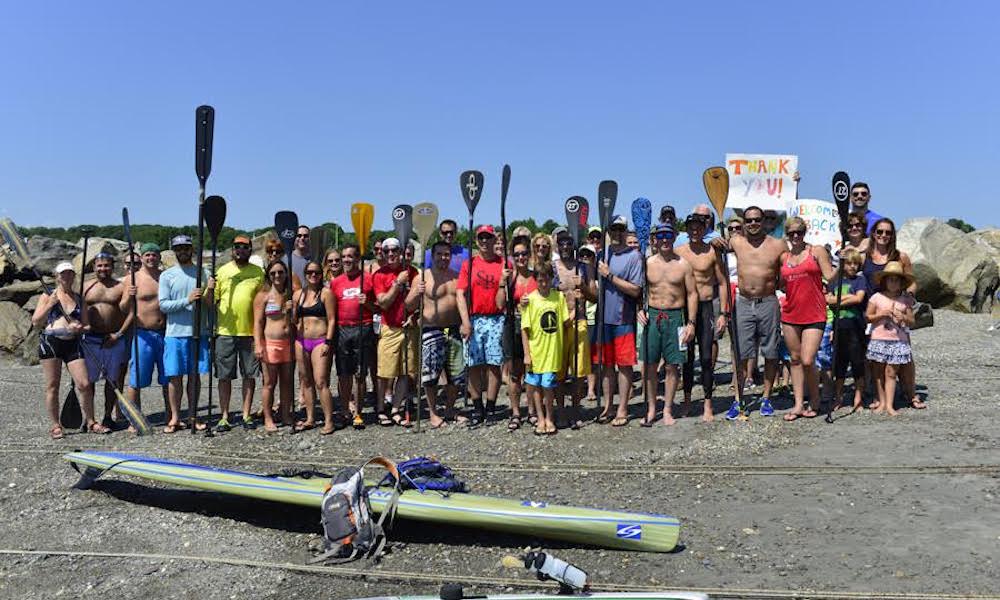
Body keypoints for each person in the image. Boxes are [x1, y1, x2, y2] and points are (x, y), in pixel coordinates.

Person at [714, 205, 787, 420]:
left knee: (771, 352)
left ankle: (766, 397)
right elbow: (717, 252)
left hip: (768, 301)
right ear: (744, 223)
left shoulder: (777, 244)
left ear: (764, 221)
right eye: (749, 220)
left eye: (757, 220)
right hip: (744, 302)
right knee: (741, 353)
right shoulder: (736, 242)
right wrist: (714, 242)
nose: (753, 223)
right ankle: (738, 398)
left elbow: (790, 267)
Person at [32, 262, 106, 437]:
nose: (67, 277)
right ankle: (56, 425)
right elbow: (36, 322)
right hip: (51, 342)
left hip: (72, 343)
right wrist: (50, 304)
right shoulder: (47, 295)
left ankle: (91, 422)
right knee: (52, 386)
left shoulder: (79, 299)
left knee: (84, 384)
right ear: (57, 277)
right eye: (63, 274)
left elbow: (87, 326)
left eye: (70, 274)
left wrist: (80, 328)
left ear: (73, 276)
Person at [638, 223, 696, 425]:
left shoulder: (683, 264)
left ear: (674, 238)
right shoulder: (648, 263)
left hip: (676, 317)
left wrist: (691, 323)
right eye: (660, 236)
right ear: (655, 239)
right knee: (649, 365)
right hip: (653, 316)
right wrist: (639, 309)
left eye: (668, 236)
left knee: (673, 366)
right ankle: (653, 408)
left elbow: (692, 294)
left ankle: (668, 409)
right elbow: (640, 289)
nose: (664, 240)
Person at [779, 217, 836, 421]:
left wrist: (844, 262)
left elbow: (829, 276)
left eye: (800, 232)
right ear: (787, 234)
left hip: (814, 313)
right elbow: (781, 283)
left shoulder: (816, 251)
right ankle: (797, 404)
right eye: (792, 233)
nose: (796, 236)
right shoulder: (784, 257)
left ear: (805, 232)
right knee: (794, 360)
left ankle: (815, 399)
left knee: (807, 359)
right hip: (790, 313)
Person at [862, 218, 922, 409]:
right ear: (873, 233)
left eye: (888, 232)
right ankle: (878, 397)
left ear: (892, 235)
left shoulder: (900, 256)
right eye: (880, 232)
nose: (883, 236)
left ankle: (911, 394)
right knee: (875, 358)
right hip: (873, 307)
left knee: (906, 357)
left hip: (897, 309)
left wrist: (908, 299)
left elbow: (912, 281)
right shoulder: (866, 255)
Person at [675, 214, 729, 421]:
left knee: (706, 358)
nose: (695, 230)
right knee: (686, 359)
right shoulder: (679, 252)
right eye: (692, 227)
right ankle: (687, 401)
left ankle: (707, 403)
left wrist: (723, 313)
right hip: (685, 309)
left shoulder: (712, 252)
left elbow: (723, 282)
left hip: (706, 306)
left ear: (705, 228)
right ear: (687, 229)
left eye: (699, 226)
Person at [158, 235, 213, 433]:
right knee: (174, 377)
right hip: (174, 334)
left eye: (186, 248)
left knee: (194, 376)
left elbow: (211, 305)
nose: (182, 251)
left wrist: (209, 294)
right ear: (174, 251)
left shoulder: (204, 273)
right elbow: (163, 305)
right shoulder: (167, 275)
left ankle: (192, 415)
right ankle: (174, 417)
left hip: (198, 333)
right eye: (178, 248)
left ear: (192, 249)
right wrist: (187, 300)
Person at [594, 215, 643, 427]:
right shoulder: (601, 254)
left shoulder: (634, 256)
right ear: (608, 231)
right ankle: (608, 406)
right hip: (603, 318)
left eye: (620, 229)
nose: (617, 233)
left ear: (625, 231)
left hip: (623, 318)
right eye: (613, 229)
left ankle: (623, 408)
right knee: (606, 366)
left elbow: (635, 289)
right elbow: (594, 287)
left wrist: (610, 276)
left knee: (624, 366)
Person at [456, 225, 507, 425]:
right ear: (477, 241)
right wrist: (465, 321)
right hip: (474, 318)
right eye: (481, 238)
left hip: (496, 318)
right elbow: (460, 293)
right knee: (473, 365)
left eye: (488, 237)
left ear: (494, 240)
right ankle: (477, 407)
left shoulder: (503, 263)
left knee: (494, 365)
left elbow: (505, 298)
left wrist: (504, 280)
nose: (484, 241)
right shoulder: (470, 264)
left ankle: (491, 407)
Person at [212, 235, 263, 431]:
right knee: (224, 376)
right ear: (233, 250)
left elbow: (264, 299)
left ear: (250, 250)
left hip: (250, 332)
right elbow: (212, 303)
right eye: (237, 247)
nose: (240, 250)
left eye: (245, 247)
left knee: (249, 375)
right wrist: (209, 291)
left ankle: (246, 414)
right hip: (225, 332)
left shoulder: (258, 272)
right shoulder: (222, 271)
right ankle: (224, 416)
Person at [415, 240, 466, 428]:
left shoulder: (456, 276)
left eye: (447, 254)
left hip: (454, 328)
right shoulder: (423, 277)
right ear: (433, 255)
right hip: (431, 329)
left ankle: (450, 409)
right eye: (439, 254)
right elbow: (409, 305)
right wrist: (416, 292)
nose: (443, 258)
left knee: (456, 375)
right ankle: (433, 413)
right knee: (431, 376)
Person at [372, 237, 420, 425]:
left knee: (405, 372)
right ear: (382, 254)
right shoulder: (379, 275)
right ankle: (380, 409)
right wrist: (397, 284)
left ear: (401, 252)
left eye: (394, 250)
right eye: (386, 251)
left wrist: (414, 313)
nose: (391, 254)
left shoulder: (412, 271)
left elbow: (416, 301)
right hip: (389, 327)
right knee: (385, 371)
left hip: (409, 328)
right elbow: (383, 302)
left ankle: (396, 409)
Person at [82, 252, 132, 429]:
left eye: (107, 265)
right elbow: (75, 310)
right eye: (100, 265)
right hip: (90, 340)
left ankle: (107, 416)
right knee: (88, 381)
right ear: (94, 267)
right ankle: (89, 418)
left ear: (113, 266)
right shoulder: (85, 287)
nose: (103, 269)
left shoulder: (120, 287)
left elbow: (131, 313)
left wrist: (118, 334)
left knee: (113, 381)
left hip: (113, 338)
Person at [330, 243, 377, 426]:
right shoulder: (336, 282)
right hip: (342, 329)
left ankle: (358, 412)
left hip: (362, 328)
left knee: (360, 374)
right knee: (343, 374)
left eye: (350, 256)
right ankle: (344, 411)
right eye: (344, 257)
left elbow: (377, 309)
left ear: (358, 258)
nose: (346, 260)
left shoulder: (368, 279)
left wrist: (367, 304)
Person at [553, 231, 596, 429]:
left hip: (579, 322)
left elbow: (594, 296)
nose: (565, 246)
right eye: (561, 243)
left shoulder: (583, 267)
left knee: (579, 373)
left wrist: (583, 288)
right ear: (557, 245)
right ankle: (561, 411)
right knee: (559, 372)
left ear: (573, 245)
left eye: (568, 243)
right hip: (559, 325)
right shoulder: (553, 268)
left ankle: (576, 409)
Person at [521, 262, 570, 435]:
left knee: (548, 386)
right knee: (535, 386)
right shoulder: (530, 300)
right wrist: (527, 354)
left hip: (552, 351)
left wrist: (578, 304)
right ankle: (540, 418)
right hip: (536, 351)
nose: (543, 283)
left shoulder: (558, 297)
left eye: (546, 280)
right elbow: (525, 329)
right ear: (536, 280)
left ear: (551, 279)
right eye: (540, 280)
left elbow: (565, 321)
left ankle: (550, 416)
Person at [124, 243, 170, 428]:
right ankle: (134, 418)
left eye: (154, 255)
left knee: (169, 378)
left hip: (166, 334)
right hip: (142, 335)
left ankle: (171, 415)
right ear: (142, 258)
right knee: (136, 380)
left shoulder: (165, 277)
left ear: (159, 257)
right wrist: (128, 296)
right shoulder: (132, 279)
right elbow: (122, 308)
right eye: (148, 255)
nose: (151, 258)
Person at [293, 260, 337, 433]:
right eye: (310, 272)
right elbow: (293, 320)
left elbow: (332, 319)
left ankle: (328, 421)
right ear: (305, 274)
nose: (313, 275)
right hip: (301, 340)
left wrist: (328, 341)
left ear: (321, 274)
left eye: (317, 272)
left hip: (320, 341)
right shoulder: (299, 295)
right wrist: (291, 310)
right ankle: (310, 417)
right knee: (306, 381)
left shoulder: (326, 293)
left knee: (321, 381)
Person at [866, 262, 916, 416]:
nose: (893, 283)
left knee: (891, 372)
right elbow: (868, 317)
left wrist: (903, 317)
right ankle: (881, 401)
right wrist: (881, 315)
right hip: (879, 339)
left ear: (901, 283)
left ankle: (889, 404)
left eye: (897, 280)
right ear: (884, 281)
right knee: (878, 372)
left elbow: (912, 321)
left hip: (898, 340)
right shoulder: (876, 297)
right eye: (890, 279)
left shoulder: (904, 300)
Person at [253, 260, 295, 432]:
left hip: (288, 344)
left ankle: (285, 415)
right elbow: (257, 322)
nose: (277, 276)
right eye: (273, 273)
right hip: (270, 344)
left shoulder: (290, 294)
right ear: (268, 276)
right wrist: (258, 344)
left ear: (286, 274)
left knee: (287, 382)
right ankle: (268, 418)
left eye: (280, 272)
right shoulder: (263, 296)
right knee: (269, 383)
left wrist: (292, 311)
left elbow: (296, 321)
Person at [825, 248, 868, 412]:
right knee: (840, 364)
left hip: (855, 326)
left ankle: (858, 397)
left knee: (857, 362)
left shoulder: (859, 280)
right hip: (839, 326)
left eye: (855, 264)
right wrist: (844, 299)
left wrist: (838, 301)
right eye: (849, 263)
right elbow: (827, 299)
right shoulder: (836, 281)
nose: (852, 267)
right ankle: (838, 396)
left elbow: (859, 298)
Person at [503, 238, 537, 430]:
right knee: (514, 372)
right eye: (516, 255)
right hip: (513, 324)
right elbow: (500, 304)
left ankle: (532, 410)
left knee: (531, 372)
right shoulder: (510, 278)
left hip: (533, 328)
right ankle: (515, 412)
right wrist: (502, 283)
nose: (521, 257)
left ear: (529, 255)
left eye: (524, 254)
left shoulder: (535, 275)